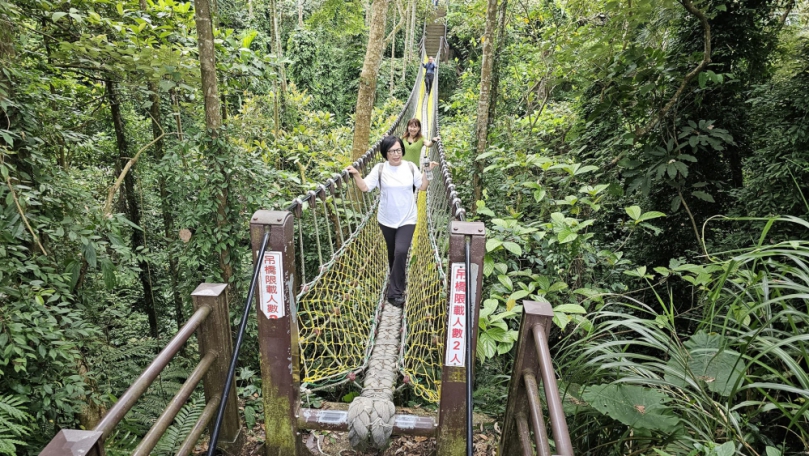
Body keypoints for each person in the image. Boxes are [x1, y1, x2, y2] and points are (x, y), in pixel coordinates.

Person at [346, 136, 438, 308]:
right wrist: (357, 174)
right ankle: (397, 279)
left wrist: (429, 171)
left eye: (398, 150)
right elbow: (365, 187)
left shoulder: (410, 167)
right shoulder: (380, 169)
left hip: (407, 218)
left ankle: (395, 293)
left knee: (401, 251)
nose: (396, 154)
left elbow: (423, 186)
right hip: (386, 219)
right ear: (385, 154)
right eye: (391, 151)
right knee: (393, 253)